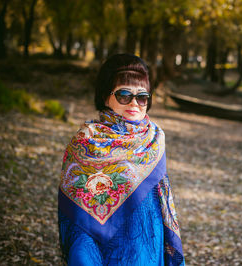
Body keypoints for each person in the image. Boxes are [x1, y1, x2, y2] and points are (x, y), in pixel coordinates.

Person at [58, 54, 184, 265]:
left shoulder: (154, 139)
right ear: (105, 97)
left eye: (142, 96)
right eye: (124, 94)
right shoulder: (86, 141)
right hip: (101, 251)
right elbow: (77, 217)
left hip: (146, 246)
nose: (134, 103)